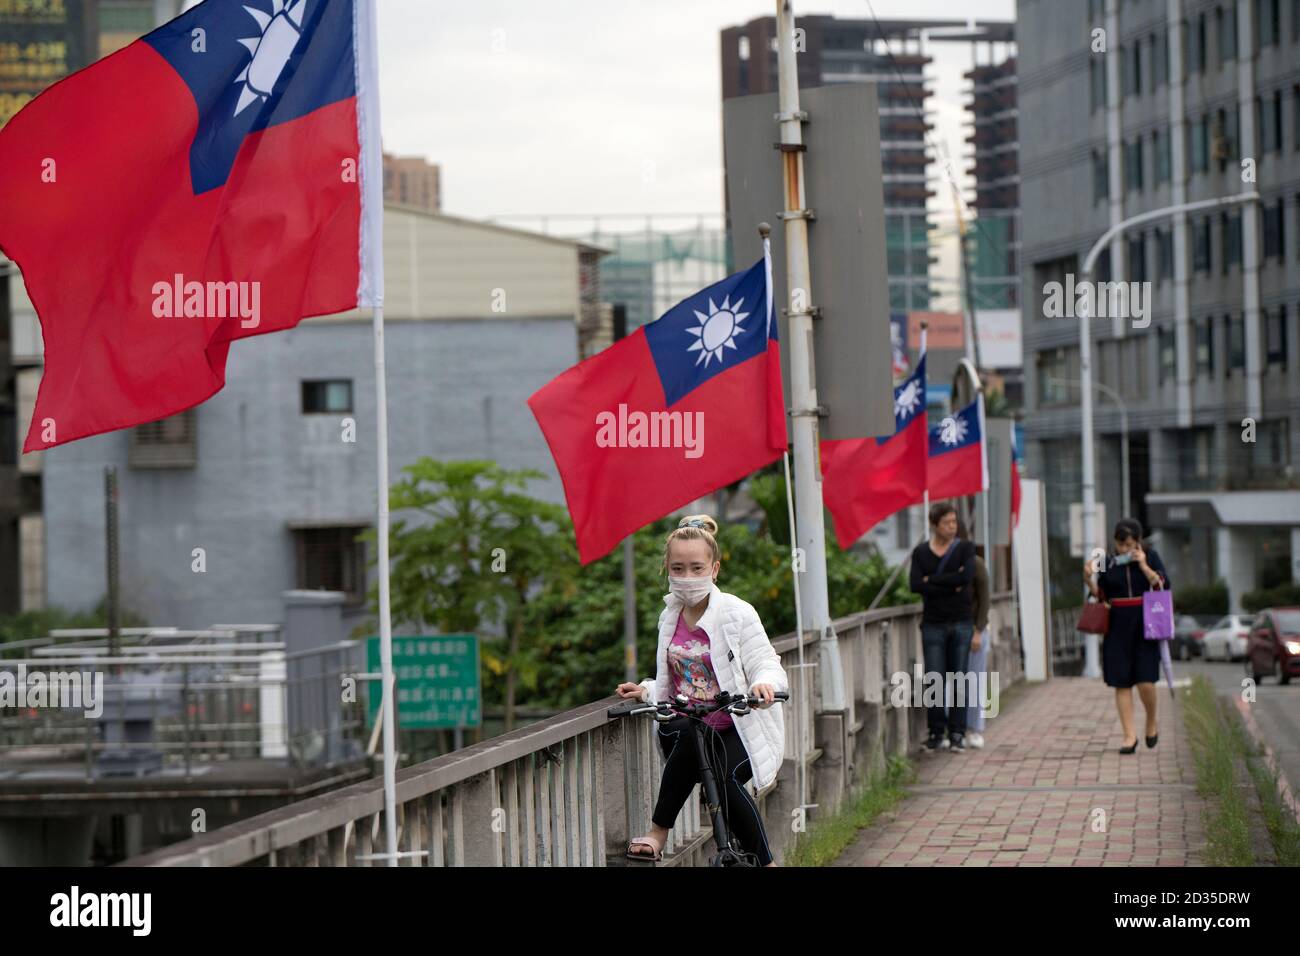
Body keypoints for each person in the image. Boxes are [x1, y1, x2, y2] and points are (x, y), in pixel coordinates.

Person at [615, 515, 789, 866]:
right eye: (678, 567)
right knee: (693, 734)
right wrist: (648, 690)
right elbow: (676, 680)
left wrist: (764, 683)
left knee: (725, 777)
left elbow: (765, 662)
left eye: (697, 568)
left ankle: (659, 833)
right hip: (685, 725)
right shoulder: (669, 617)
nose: (687, 576)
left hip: (736, 725)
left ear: (715, 569)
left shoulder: (737, 613)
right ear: (667, 568)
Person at [1084, 518, 1169, 754]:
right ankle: (1129, 736)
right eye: (1121, 545)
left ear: (1139, 542)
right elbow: (1100, 595)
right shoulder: (1108, 562)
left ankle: (1151, 720)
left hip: (1146, 623)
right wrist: (1088, 577)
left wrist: (1143, 566)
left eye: (1131, 545)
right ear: (1114, 542)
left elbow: (1162, 585)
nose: (1125, 550)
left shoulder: (1151, 557)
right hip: (1117, 623)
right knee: (1121, 682)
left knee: (1146, 681)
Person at [910, 503, 977, 752]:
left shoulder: (965, 548)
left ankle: (957, 732)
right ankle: (937, 732)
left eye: (954, 522)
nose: (952, 527)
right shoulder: (921, 553)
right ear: (934, 525)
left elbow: (966, 577)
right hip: (933, 624)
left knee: (959, 678)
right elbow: (915, 585)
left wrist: (932, 580)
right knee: (934, 678)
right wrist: (950, 582)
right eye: (947, 523)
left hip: (961, 621)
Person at [965, 537, 991, 750]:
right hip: (951, 629)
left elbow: (985, 601)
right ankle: (953, 729)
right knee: (947, 682)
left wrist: (978, 631)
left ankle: (974, 728)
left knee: (974, 681)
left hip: (975, 630)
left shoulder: (976, 564)